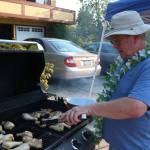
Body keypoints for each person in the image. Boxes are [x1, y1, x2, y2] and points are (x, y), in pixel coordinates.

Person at [60, 10, 150, 150]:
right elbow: (114, 101)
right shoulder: (123, 63)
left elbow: (135, 107)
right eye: (112, 41)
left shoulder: (147, 66)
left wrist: (88, 108)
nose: (114, 45)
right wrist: (84, 113)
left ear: (136, 37)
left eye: (117, 40)